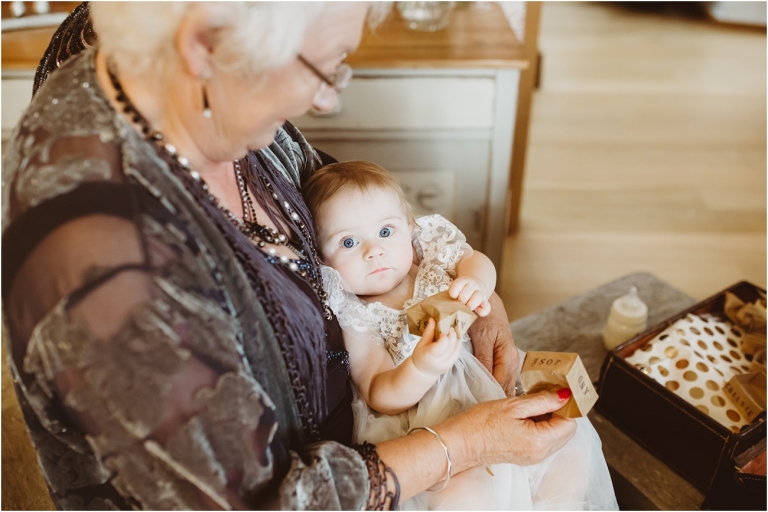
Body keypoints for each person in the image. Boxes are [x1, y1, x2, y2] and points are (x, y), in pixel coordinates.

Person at [2, 2, 594, 509]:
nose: (322, 100)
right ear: (205, 48)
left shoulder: (185, 81)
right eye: (323, 68)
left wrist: (473, 292)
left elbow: (323, 186)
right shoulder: (103, 265)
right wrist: (462, 446)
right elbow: (259, 500)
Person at [302, 161, 618, 510]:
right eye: (348, 241)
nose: (373, 250)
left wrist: (475, 283)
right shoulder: (357, 315)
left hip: (485, 380)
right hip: (426, 421)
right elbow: (379, 392)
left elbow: (474, 259)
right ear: (323, 259)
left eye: (386, 232)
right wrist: (420, 368)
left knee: (569, 446)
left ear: (410, 229)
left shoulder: (429, 258)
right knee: (467, 493)